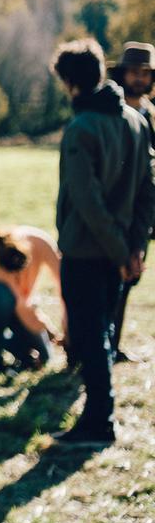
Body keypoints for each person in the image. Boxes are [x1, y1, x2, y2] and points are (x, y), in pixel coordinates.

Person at [49, 39, 154, 447]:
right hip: (120, 254)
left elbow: (87, 202)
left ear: (70, 83)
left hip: (86, 252)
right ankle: (100, 416)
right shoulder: (137, 120)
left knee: (91, 340)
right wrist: (134, 249)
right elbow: (149, 192)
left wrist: (120, 251)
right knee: (104, 335)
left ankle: (98, 423)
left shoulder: (81, 128)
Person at [107, 40, 155, 363]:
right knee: (108, 278)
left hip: (142, 209)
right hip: (113, 209)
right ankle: (99, 346)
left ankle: (115, 342)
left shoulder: (151, 115)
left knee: (131, 277)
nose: (139, 79)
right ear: (123, 74)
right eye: (133, 72)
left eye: (145, 73)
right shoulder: (110, 111)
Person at [0, 226, 62, 372]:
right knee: (2, 300)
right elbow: (20, 306)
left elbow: (64, 281)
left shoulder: (40, 242)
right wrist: (49, 331)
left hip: (15, 303)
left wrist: (63, 328)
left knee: (45, 356)